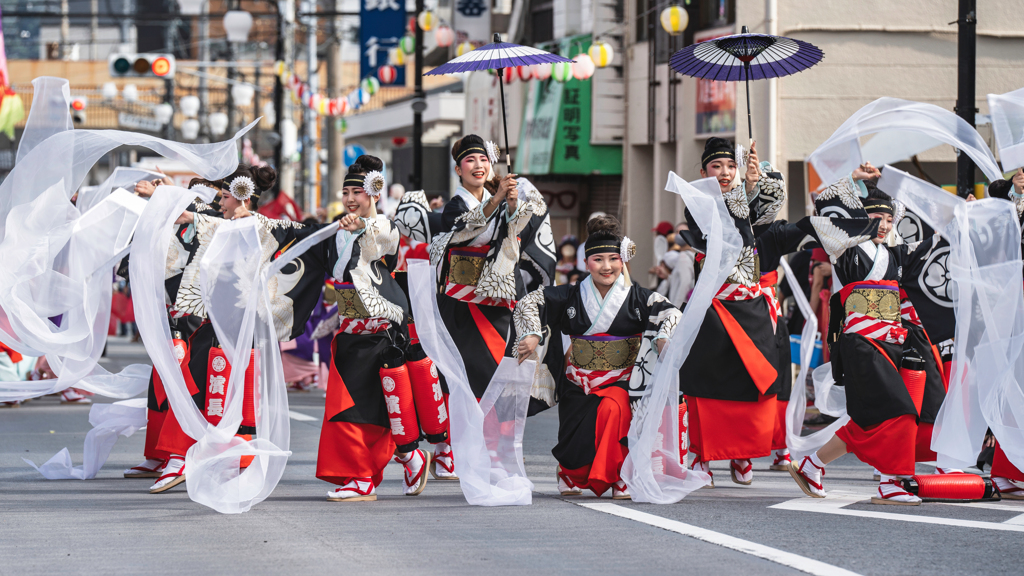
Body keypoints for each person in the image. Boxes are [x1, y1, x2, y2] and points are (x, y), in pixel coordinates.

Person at [148, 163, 332, 494]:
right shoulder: (221, 222)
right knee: (196, 384)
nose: (219, 200)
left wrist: (345, 225)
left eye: (223, 196)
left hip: (240, 323)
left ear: (239, 197)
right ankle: (181, 457)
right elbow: (203, 213)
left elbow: (309, 233)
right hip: (213, 321)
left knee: (230, 392)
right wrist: (169, 197)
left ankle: (221, 459)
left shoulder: (263, 226)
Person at [788, 163, 947, 505]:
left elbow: (932, 250)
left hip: (892, 342)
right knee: (898, 409)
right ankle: (892, 481)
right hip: (860, 342)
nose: (883, 225)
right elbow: (826, 205)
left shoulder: (894, 255)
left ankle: (811, 464)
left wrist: (958, 221)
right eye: (875, 218)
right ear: (860, 219)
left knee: (870, 417)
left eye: (888, 220)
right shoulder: (843, 247)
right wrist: (852, 180)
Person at [514, 215, 681, 498]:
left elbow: (671, 312)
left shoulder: (637, 297)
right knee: (575, 438)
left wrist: (663, 338)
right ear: (586, 262)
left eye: (613, 259)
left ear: (623, 261)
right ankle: (570, 471)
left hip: (621, 379)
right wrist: (532, 333)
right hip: (578, 378)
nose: (607, 266)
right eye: (598, 259)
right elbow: (531, 301)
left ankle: (618, 475)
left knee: (614, 410)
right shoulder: (571, 294)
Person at [315, 155, 447, 501]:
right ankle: (409, 456)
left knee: (363, 408)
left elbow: (383, 240)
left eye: (357, 191)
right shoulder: (338, 231)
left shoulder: (383, 226)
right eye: (345, 191)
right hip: (349, 331)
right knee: (365, 408)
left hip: (381, 332)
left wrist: (361, 227)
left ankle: (362, 477)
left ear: (374, 192)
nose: (349, 198)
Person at [677, 137, 791, 487]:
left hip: (751, 306)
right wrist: (748, 194)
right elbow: (726, 228)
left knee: (752, 382)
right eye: (716, 166)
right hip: (713, 306)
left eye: (731, 166)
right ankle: (701, 456)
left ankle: (741, 452)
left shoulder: (748, 194)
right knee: (704, 383)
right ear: (703, 172)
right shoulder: (696, 203)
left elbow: (762, 225)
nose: (725, 172)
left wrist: (757, 185)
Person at [429, 134, 546, 400]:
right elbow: (465, 229)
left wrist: (513, 205)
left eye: (483, 159)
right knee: (463, 374)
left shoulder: (500, 203)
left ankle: (490, 439)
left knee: (496, 372)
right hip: (462, 305)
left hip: (497, 302)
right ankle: (458, 438)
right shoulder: (455, 207)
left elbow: (515, 236)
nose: (478, 164)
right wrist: (497, 201)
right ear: (459, 170)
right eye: (470, 160)